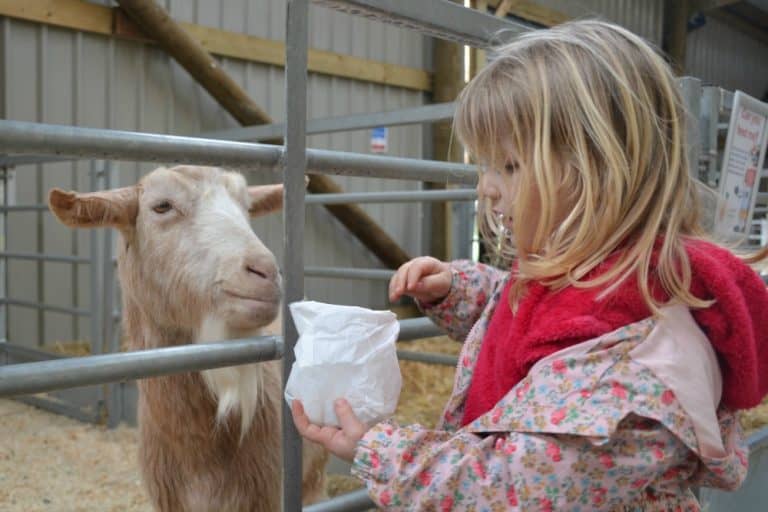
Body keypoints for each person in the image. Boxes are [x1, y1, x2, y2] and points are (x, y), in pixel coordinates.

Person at [291, 20, 768, 511]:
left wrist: (382, 451)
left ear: (598, 167)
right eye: (486, 164)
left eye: (510, 166)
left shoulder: (640, 372)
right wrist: (458, 291)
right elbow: (535, 321)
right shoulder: (595, 273)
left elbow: (508, 490)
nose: (486, 187)